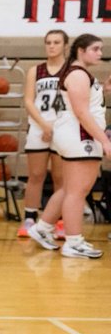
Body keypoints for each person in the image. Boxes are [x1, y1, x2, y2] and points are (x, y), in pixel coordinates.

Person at [27, 34, 111, 259]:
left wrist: (103, 90)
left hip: (74, 136)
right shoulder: (77, 74)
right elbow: (82, 112)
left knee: (68, 189)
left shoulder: (77, 73)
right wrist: (104, 140)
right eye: (95, 49)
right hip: (79, 137)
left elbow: (87, 104)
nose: (100, 54)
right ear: (81, 51)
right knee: (77, 191)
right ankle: (74, 241)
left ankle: (42, 228)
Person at [19, 30, 68, 239]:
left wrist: (55, 127)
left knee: (60, 178)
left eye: (56, 42)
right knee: (36, 175)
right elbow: (29, 101)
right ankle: (30, 217)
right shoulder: (35, 71)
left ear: (65, 45)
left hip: (63, 127)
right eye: (48, 42)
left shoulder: (72, 71)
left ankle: (59, 221)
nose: (51, 46)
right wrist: (44, 124)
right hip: (39, 127)